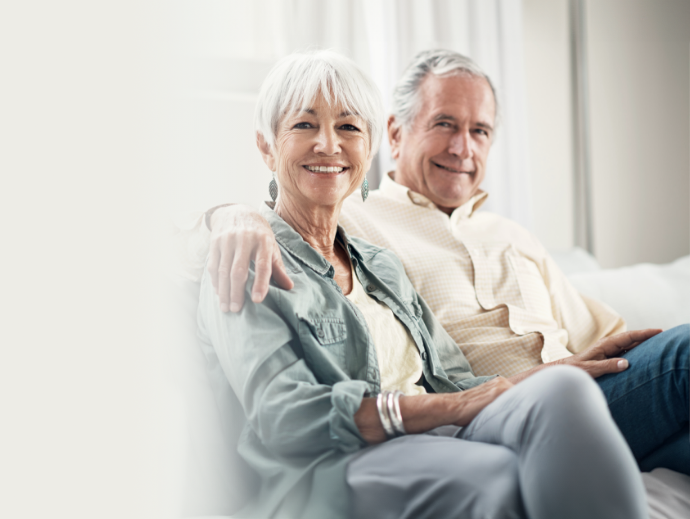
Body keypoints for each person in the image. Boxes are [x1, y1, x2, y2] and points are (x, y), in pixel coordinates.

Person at [198, 49, 648, 519]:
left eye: (349, 127)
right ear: (267, 146)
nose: (329, 144)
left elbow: (456, 381)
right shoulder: (246, 259)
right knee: (495, 474)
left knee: (564, 390)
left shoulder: (379, 264)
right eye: (304, 125)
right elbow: (286, 418)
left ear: (369, 146)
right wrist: (448, 410)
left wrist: (557, 372)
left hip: (435, 434)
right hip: (341, 464)